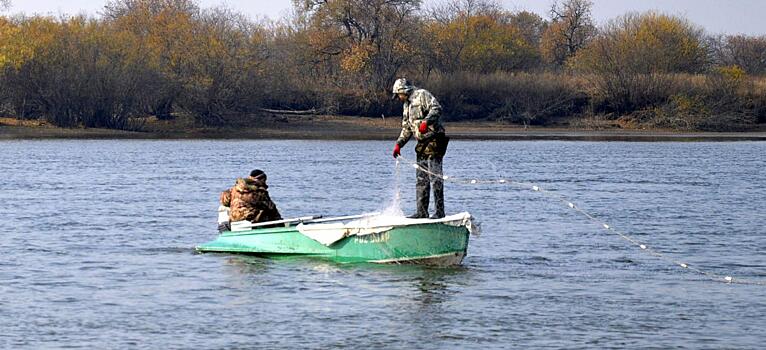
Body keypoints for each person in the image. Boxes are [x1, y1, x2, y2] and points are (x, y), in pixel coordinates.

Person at [391, 78, 449, 219]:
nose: (399, 98)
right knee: (421, 179)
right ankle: (422, 212)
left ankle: (439, 212)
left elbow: (437, 108)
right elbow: (406, 128)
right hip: (422, 143)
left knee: (435, 177)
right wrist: (399, 144)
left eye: (399, 95)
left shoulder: (422, 94)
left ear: (403, 90)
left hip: (435, 139)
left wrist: (426, 121)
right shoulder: (406, 105)